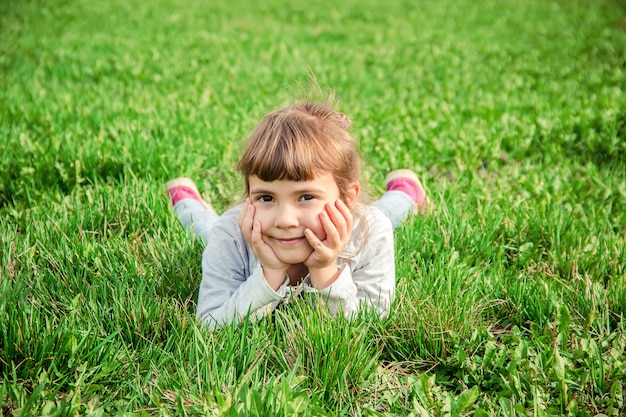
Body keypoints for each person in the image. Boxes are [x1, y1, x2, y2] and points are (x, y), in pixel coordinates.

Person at [166, 100, 430, 329]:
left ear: (347, 198)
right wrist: (269, 272)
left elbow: (370, 324)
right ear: (249, 198)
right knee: (209, 230)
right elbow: (211, 324)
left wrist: (325, 270)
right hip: (231, 228)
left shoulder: (371, 229)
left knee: (382, 214)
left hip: (360, 220)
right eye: (266, 197)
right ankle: (187, 203)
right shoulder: (233, 231)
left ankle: (406, 194)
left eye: (306, 197)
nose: (284, 220)